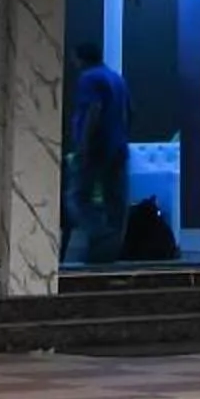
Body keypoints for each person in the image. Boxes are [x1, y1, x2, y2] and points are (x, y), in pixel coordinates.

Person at [63, 39, 131, 268]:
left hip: (96, 147)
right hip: (118, 146)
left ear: (80, 58)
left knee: (76, 197)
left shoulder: (89, 78)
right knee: (115, 201)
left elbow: (93, 109)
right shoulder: (117, 78)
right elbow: (130, 112)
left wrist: (84, 144)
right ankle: (107, 254)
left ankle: (99, 231)